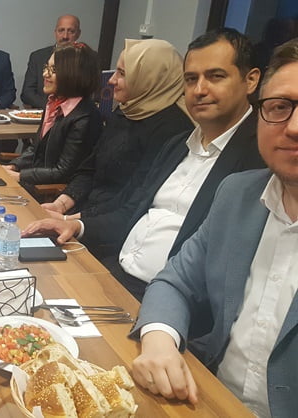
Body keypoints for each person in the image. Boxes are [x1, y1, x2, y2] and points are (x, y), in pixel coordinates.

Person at [22, 29, 266, 300]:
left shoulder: (261, 159)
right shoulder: (178, 145)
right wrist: (74, 224)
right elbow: (131, 207)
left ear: (251, 80)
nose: (199, 90)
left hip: (165, 296)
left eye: (216, 76)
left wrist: (73, 219)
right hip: (115, 267)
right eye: (191, 79)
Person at [129, 38, 298, 417]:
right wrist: (159, 340)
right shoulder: (239, 194)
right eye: (280, 107)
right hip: (206, 397)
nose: (294, 128)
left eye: (216, 76)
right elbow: (175, 281)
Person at [41, 39, 194, 219]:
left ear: (148, 78)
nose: (112, 80)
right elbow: (89, 168)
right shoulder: (127, 110)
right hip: (85, 213)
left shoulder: (173, 128)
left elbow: (134, 198)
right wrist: (61, 204)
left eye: (122, 73)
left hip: (116, 224)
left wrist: (73, 220)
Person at [1, 42, 102, 191]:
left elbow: (63, 172)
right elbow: (36, 148)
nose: (45, 74)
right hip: (35, 181)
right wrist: (13, 166)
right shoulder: (53, 102)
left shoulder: (84, 117)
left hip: (51, 193)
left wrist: (19, 176)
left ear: (73, 75)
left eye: (53, 70)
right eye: (46, 67)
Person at [21, 15, 81, 109]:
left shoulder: (87, 60)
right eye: (61, 30)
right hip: (43, 110)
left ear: (78, 34)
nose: (65, 36)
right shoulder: (38, 57)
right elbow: (27, 93)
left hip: (75, 112)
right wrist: (52, 107)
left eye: (71, 31)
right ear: (55, 32)